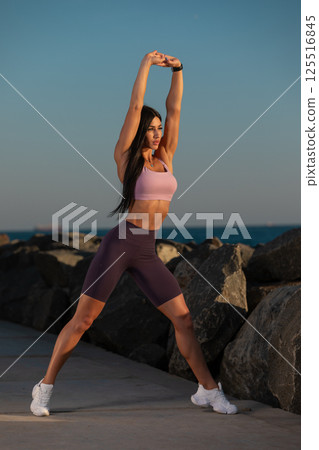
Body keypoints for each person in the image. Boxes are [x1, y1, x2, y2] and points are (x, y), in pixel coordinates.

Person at [30, 51, 238, 416]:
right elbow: (135, 103)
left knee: (183, 318)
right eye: (151, 127)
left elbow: (175, 110)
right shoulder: (126, 157)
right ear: (140, 129)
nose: (158, 133)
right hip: (120, 244)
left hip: (147, 250)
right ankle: (44, 388)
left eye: (159, 128)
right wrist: (146, 64)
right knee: (83, 320)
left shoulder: (166, 157)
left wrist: (177, 71)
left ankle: (208, 390)